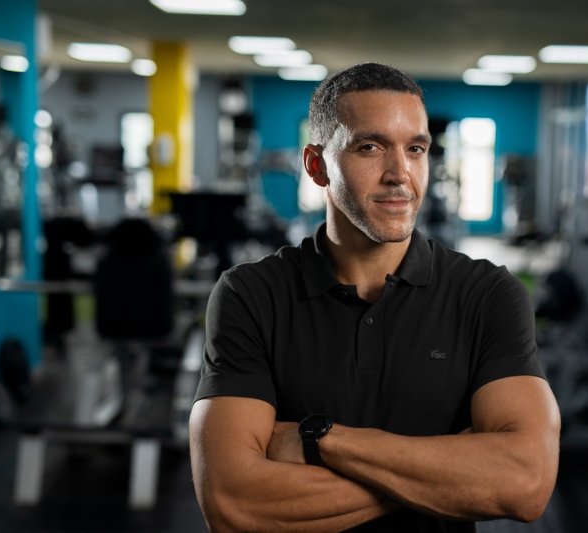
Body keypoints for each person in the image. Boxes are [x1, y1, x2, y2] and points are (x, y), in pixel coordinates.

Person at [189, 63, 560, 532]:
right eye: (370, 147)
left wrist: (318, 441)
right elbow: (232, 502)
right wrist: (449, 476)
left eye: (417, 149)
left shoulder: (487, 294)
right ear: (316, 165)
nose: (400, 174)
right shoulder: (250, 294)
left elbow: (525, 483)